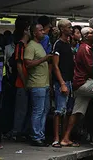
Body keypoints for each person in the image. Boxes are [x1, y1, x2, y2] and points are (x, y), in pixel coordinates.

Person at [24, 23, 52, 147]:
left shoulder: (39, 45)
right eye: (41, 30)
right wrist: (44, 59)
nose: (43, 32)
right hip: (36, 84)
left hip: (44, 84)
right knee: (38, 111)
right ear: (34, 33)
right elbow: (28, 64)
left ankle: (41, 135)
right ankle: (35, 136)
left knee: (44, 110)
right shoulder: (30, 46)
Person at [51, 19, 74, 148]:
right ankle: (56, 138)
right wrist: (62, 83)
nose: (71, 29)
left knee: (67, 111)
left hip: (69, 80)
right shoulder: (58, 44)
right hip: (62, 81)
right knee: (59, 111)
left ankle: (64, 137)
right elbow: (55, 65)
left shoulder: (68, 44)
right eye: (69, 27)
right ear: (62, 29)